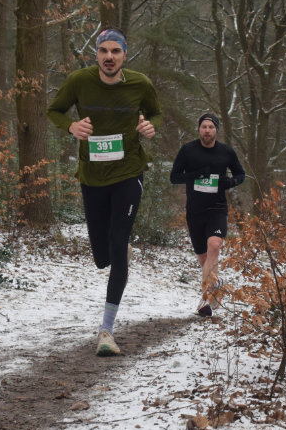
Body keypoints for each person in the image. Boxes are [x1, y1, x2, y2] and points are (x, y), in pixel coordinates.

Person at [46, 27, 162, 356]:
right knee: (102, 258)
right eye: (103, 51)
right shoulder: (79, 81)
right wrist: (71, 126)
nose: (109, 57)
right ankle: (118, 253)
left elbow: (156, 112)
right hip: (92, 177)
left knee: (118, 241)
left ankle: (106, 331)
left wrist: (150, 126)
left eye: (116, 51)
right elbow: (54, 110)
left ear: (125, 55)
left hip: (128, 173)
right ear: (96, 54)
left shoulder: (140, 83)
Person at [170, 113, 245, 317]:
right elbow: (174, 177)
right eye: (204, 126)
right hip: (195, 210)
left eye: (211, 127)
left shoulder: (226, 152)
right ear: (199, 129)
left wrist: (230, 182)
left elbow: (241, 174)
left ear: (216, 130)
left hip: (217, 208)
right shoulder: (188, 150)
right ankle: (216, 283)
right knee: (204, 259)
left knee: (214, 246)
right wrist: (195, 175)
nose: (207, 130)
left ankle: (205, 299)